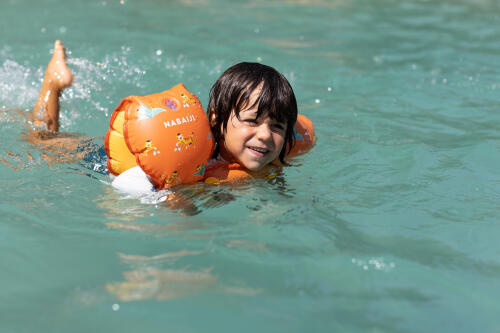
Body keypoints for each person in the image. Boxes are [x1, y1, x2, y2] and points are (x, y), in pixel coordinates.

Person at [31, 41, 298, 194]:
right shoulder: (191, 160)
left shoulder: (277, 154)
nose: (265, 135)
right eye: (251, 121)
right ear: (215, 119)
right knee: (40, 140)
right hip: (112, 158)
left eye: (276, 126)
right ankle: (53, 84)